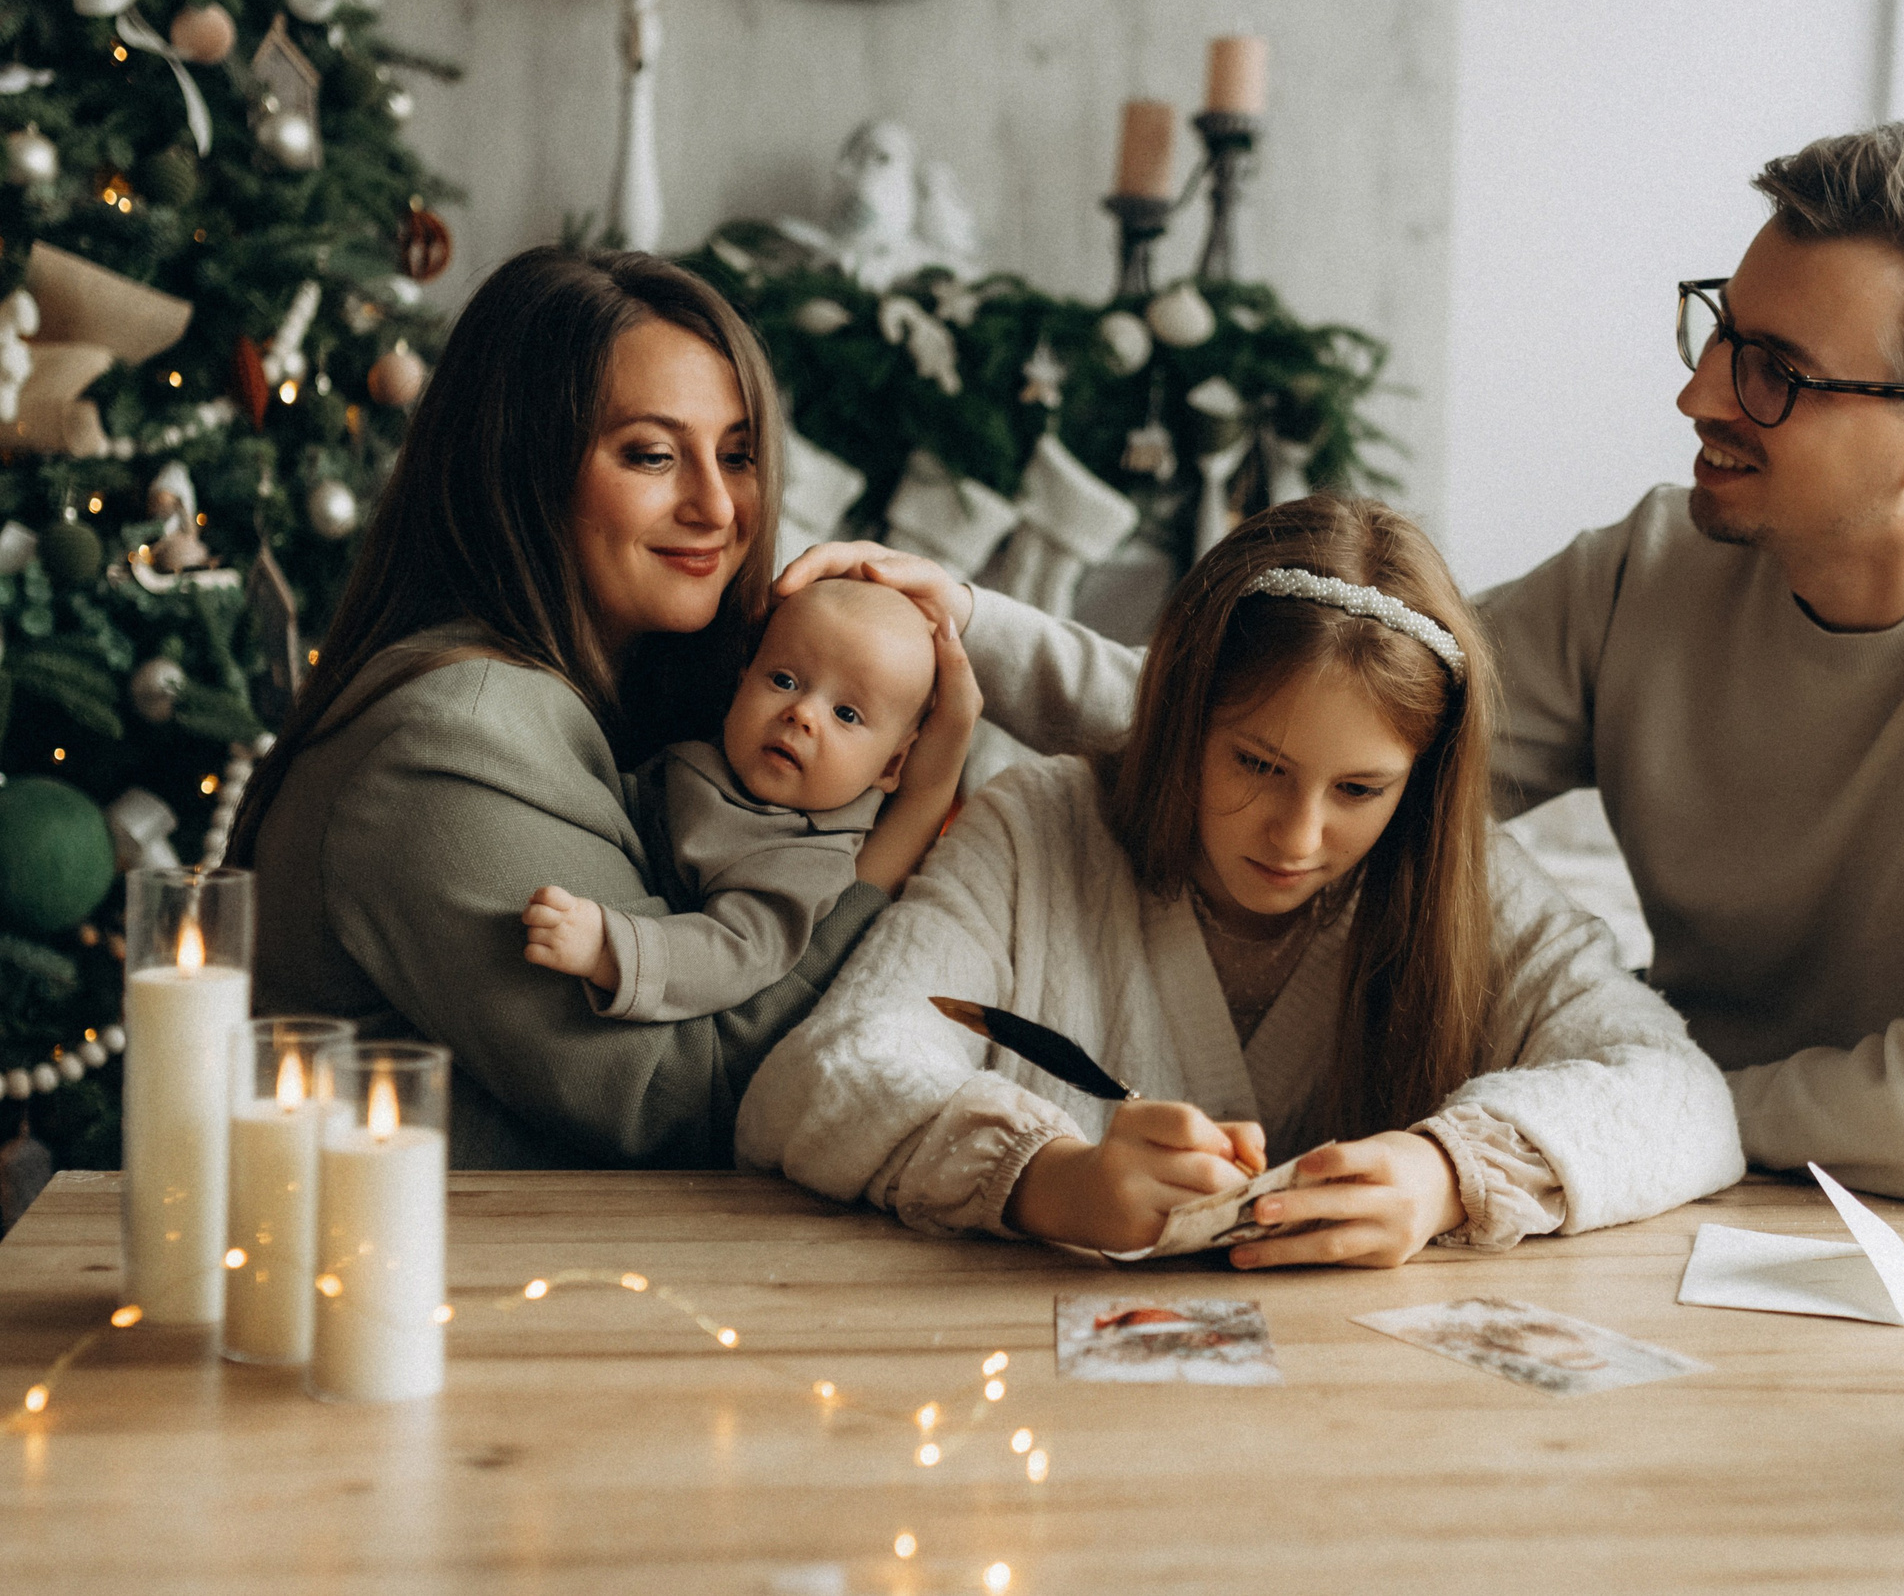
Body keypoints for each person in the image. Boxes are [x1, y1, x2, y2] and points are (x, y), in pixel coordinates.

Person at [827, 116, 1904, 1217]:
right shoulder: (1653, 566)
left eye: (1776, 370)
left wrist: (1631, 1106)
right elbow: (1320, 709)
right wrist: (961, 618)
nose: (1701, 393)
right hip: (1687, 1195)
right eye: (1722, 327)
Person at [737, 496, 1744, 1264]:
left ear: (1421, 781)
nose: (1296, 835)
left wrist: (1447, 1171)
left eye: (1359, 787)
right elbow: (817, 1081)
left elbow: (1682, 1095)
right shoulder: (1037, 825)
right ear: (1180, 719)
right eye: (1256, 764)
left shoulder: (1463, 879)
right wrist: (1051, 1178)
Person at [233, 248, 979, 1170]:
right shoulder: (454, 744)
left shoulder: (665, 707)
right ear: (523, 469)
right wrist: (909, 823)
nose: (717, 505)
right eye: (654, 455)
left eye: (738, 455)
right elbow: (683, 1099)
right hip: (421, 1289)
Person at [521, 577, 951, 1020]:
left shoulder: (806, 859)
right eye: (784, 680)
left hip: (630, 955)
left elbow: (735, 953)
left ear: (889, 767)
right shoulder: (727, 752)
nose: (801, 713)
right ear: (742, 684)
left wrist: (609, 949)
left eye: (846, 714)